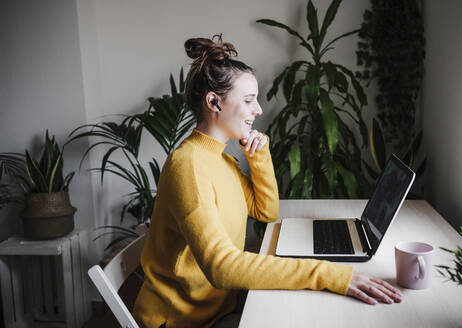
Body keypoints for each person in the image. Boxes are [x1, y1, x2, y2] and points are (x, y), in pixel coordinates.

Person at [132, 34, 402, 328]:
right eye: (249, 100)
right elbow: (221, 268)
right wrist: (325, 273)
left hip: (220, 303)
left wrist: (259, 158)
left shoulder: (221, 159)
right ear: (214, 102)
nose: (258, 110)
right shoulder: (188, 166)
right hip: (185, 321)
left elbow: (266, 212)